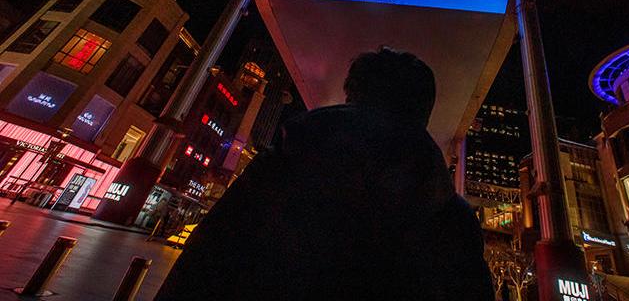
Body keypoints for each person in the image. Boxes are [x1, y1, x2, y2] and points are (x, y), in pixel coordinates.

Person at [156, 47, 493, 300]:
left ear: (352, 97)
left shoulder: (278, 172)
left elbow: (201, 269)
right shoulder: (451, 218)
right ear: (424, 113)